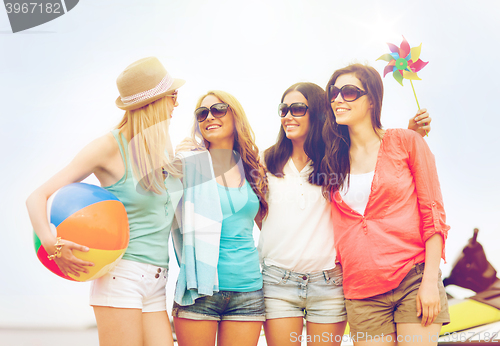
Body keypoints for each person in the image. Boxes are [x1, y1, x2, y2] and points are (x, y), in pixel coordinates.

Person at [258, 82, 431, 346]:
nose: (288, 115)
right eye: (283, 109)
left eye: (297, 109)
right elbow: (256, 211)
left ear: (316, 112)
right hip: (277, 280)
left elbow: (376, 162)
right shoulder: (266, 160)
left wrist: (410, 134)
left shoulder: (336, 159)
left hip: (329, 281)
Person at [26, 57, 184, 346]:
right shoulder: (109, 147)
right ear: (155, 102)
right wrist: (51, 244)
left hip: (159, 279)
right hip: (122, 277)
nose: (177, 104)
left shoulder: (162, 150)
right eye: (173, 96)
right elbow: (36, 197)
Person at [322, 63, 450, 345]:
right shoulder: (331, 159)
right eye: (334, 92)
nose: (338, 98)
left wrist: (429, 282)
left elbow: (433, 214)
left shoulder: (407, 141)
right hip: (361, 289)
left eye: (350, 91)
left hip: (413, 279)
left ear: (372, 101)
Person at [171, 90, 268, 346]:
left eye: (218, 109)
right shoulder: (189, 165)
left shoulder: (254, 168)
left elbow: (268, 227)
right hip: (199, 290)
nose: (209, 117)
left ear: (235, 115)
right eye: (202, 113)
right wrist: (172, 163)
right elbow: (157, 204)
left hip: (248, 290)